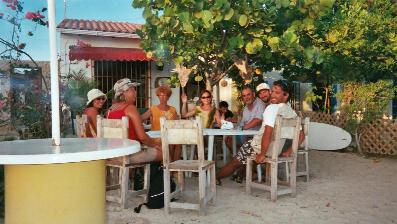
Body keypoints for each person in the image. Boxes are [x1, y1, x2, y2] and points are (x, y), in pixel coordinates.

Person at [216, 80, 305, 184]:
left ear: (285, 96)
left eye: (276, 92)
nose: (272, 94)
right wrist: (290, 150)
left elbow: (267, 132)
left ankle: (216, 177)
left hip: (259, 147)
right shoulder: (291, 112)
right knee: (248, 161)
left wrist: (262, 153)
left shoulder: (271, 108)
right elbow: (301, 135)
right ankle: (240, 175)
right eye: (272, 91)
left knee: (235, 162)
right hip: (275, 150)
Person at [107, 78, 162, 163]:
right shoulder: (130, 108)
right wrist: (156, 145)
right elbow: (142, 137)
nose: (136, 93)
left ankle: (133, 174)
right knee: (163, 152)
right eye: (133, 90)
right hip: (128, 154)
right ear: (124, 92)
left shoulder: (110, 110)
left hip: (113, 154)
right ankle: (168, 176)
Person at [141, 85, 181, 161]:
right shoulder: (153, 108)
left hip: (169, 135)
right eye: (160, 95)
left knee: (178, 143)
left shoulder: (173, 110)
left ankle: (174, 167)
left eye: (164, 95)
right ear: (158, 96)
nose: (162, 97)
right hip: (156, 137)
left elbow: (176, 124)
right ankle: (169, 166)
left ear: (168, 97)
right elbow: (141, 118)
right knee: (170, 143)